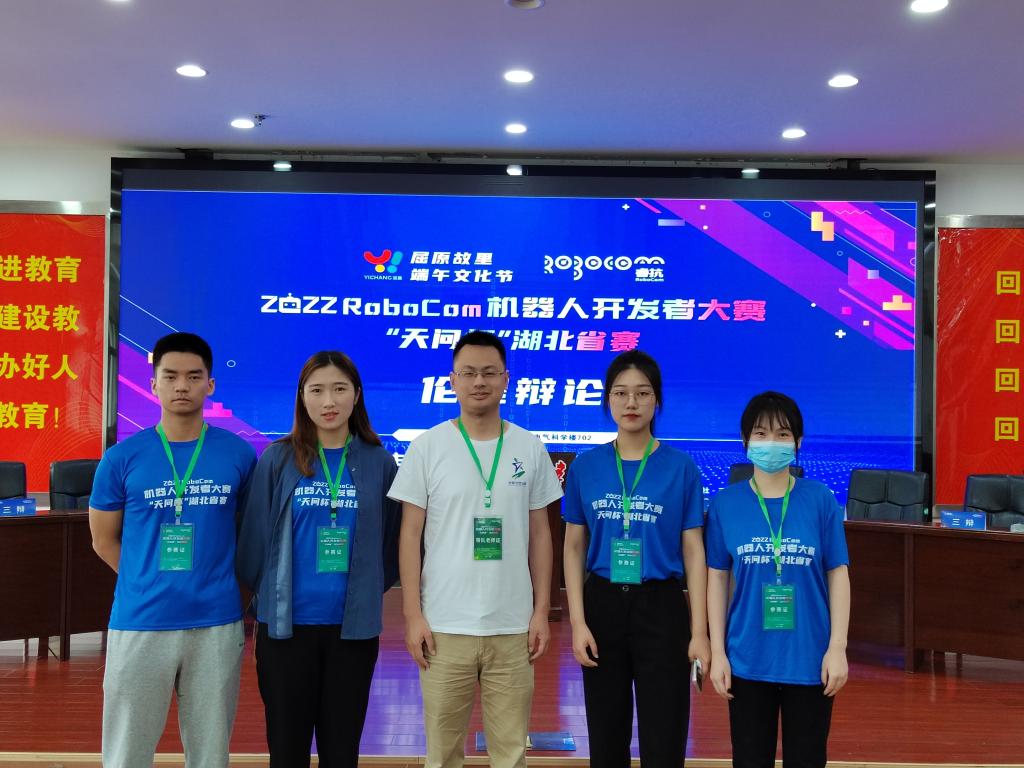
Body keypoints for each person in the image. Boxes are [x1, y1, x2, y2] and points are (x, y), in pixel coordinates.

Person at [388, 330, 564, 768]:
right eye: (468, 373)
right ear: (452, 380)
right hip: (444, 627)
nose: (479, 382)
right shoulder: (427, 447)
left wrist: (541, 611)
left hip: (513, 628)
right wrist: (413, 615)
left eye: (489, 372)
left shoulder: (529, 447)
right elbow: (409, 535)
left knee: (511, 754)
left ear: (506, 379)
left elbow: (541, 535)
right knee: (442, 755)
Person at [88, 332, 257, 768]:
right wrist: (147, 580)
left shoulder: (239, 454)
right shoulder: (122, 457)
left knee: (210, 753)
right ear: (154, 384)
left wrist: (231, 593)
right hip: (141, 622)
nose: (182, 386)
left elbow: (250, 535)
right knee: (126, 752)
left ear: (210, 384)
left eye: (194, 377)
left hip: (216, 623)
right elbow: (103, 539)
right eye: (171, 376)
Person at [237, 350, 400, 768]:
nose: (329, 401)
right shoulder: (277, 459)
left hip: (353, 634)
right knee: (287, 752)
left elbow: (391, 543)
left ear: (357, 395)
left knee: (341, 753)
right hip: (286, 634)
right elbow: (254, 541)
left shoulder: (379, 462)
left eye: (340, 389)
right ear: (302, 397)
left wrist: (366, 589)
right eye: (317, 390)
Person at [562, 349, 710, 767]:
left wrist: (699, 631)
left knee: (665, 733)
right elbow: (573, 546)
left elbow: (693, 550)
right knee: (606, 733)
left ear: (657, 400)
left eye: (642, 393)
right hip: (603, 604)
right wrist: (578, 622)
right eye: (621, 393)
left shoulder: (681, 468)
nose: (631, 403)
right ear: (607, 399)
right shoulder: (586, 467)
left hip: (661, 606)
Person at [706, 391, 850, 768]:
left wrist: (837, 648)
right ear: (745, 441)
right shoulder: (725, 504)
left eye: (783, 434)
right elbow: (717, 580)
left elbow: (838, 574)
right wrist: (718, 652)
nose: (772, 442)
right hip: (747, 660)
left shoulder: (821, 500)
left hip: (810, 659)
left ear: (798, 442)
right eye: (761, 433)